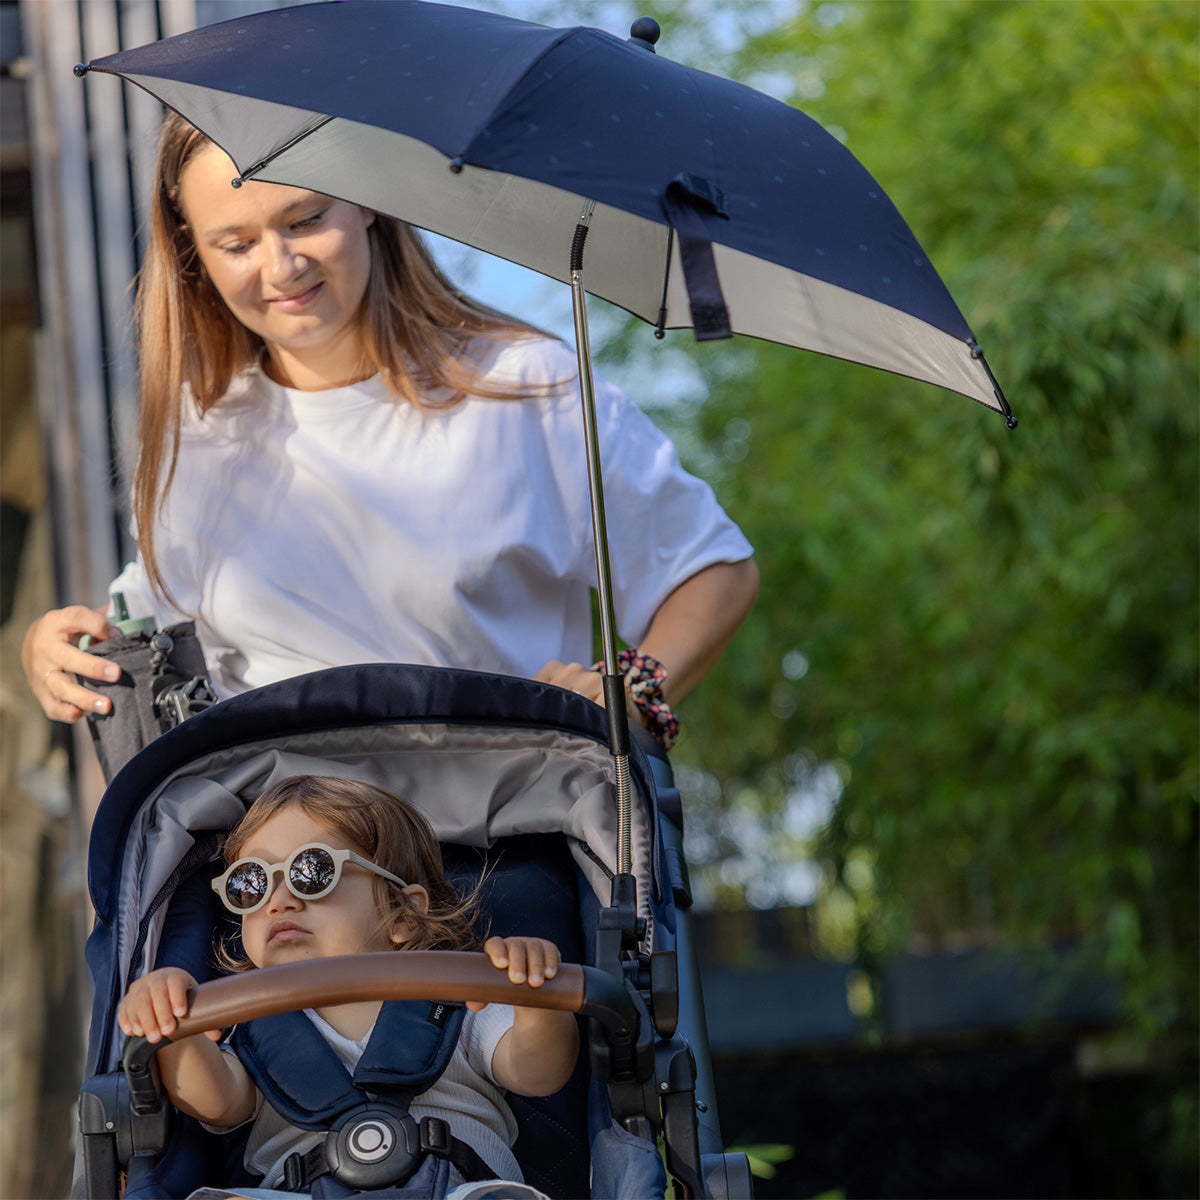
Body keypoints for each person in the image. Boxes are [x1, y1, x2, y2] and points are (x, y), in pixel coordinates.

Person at [21, 111, 758, 744]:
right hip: (280, 872)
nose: (280, 267)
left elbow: (711, 570)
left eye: (306, 218)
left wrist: (631, 696)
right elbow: (148, 615)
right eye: (236, 244)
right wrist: (61, 646)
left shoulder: (526, 387)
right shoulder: (202, 427)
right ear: (192, 251)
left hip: (494, 853)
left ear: (367, 199)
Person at [118, 774, 577, 1199]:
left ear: (402, 914)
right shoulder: (249, 1022)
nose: (279, 901)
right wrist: (173, 1021)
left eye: (312, 872)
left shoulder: (459, 995)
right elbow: (217, 1102)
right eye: (251, 884)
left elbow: (538, 1073)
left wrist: (534, 995)